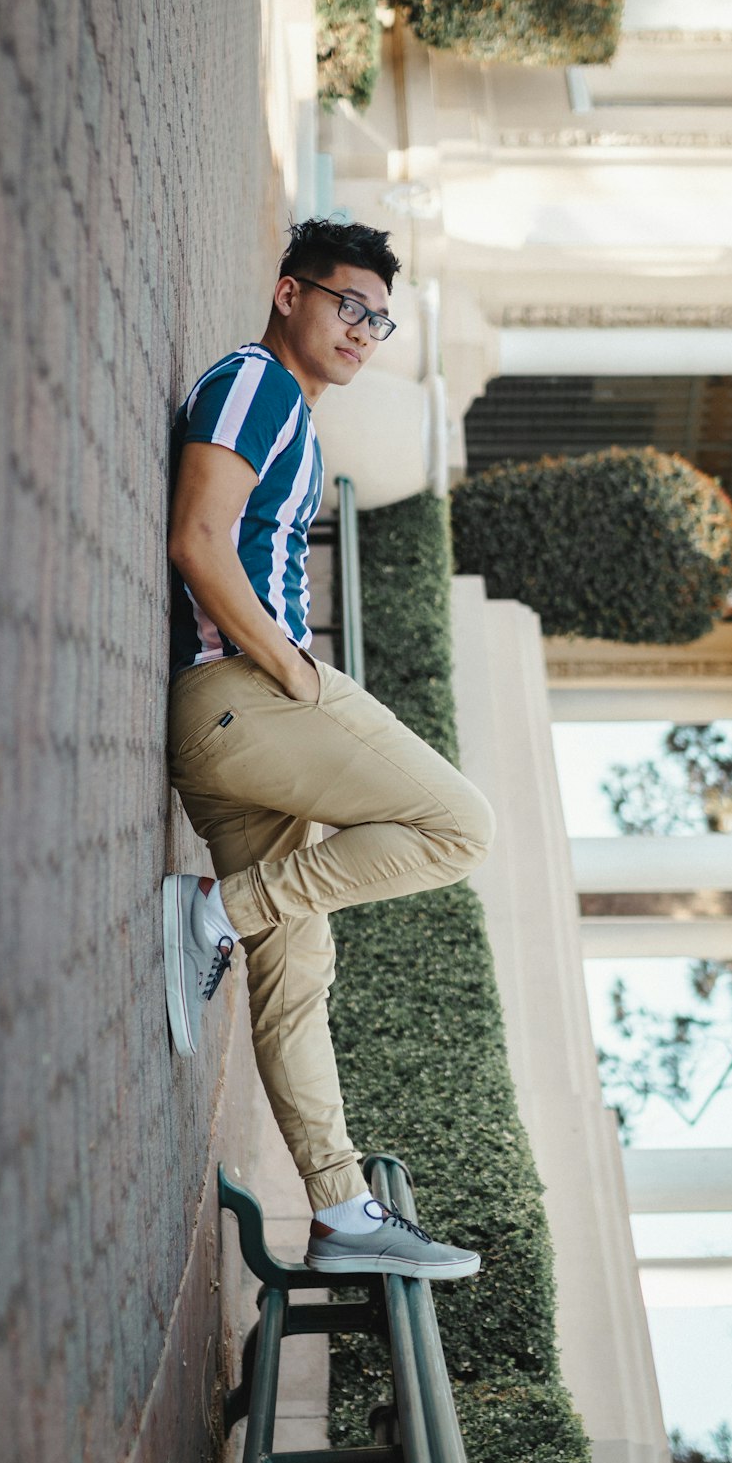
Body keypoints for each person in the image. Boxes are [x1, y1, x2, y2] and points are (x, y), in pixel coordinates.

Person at [162, 218, 494, 1279]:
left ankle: (341, 1213)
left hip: (234, 723)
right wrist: (294, 669)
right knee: (459, 826)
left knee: (297, 972)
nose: (365, 330)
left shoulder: (292, 414)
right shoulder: (257, 381)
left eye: (380, 319)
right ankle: (211, 911)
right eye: (348, 305)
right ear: (288, 291)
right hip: (245, 697)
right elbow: (197, 540)